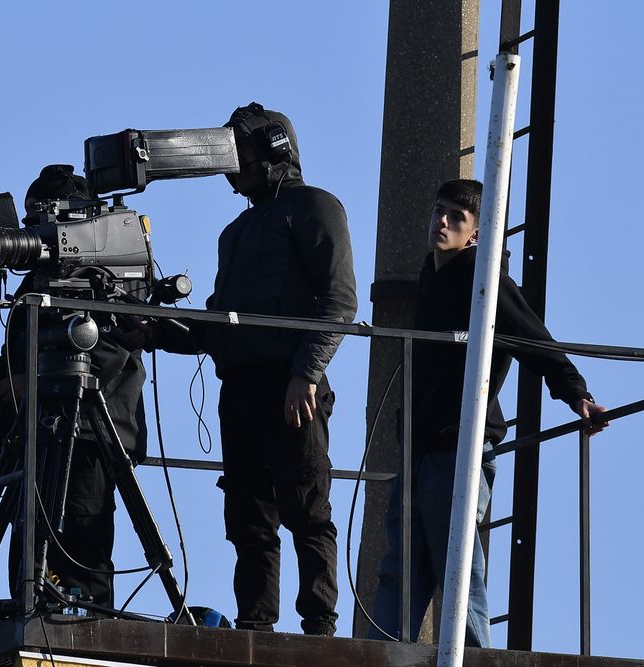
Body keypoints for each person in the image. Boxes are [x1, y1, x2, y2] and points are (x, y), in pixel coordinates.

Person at [369, 178, 609, 646]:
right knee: (400, 572)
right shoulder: (431, 273)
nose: (442, 221)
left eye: (456, 218)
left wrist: (574, 392)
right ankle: (381, 654)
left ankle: (476, 657)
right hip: (418, 451)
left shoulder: (483, 277)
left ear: (475, 234)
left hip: (457, 447)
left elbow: (534, 339)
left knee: (458, 574)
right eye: (439, 211)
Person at [202, 102, 358, 635]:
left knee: (308, 509)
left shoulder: (316, 207)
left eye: (236, 151)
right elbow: (218, 321)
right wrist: (152, 329)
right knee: (248, 519)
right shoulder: (235, 233)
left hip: (291, 385)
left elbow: (339, 301)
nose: (229, 164)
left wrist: (306, 372)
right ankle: (255, 626)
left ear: (272, 149)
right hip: (239, 387)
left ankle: (319, 627)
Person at [0, 164, 149, 609]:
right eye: (33, 217)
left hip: (90, 432)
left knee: (80, 553)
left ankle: (81, 627)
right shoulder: (36, 281)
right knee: (28, 554)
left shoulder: (116, 270)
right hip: (36, 433)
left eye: (48, 215)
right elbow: (18, 363)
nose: (38, 227)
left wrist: (25, 381)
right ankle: (31, 614)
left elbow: (108, 350)